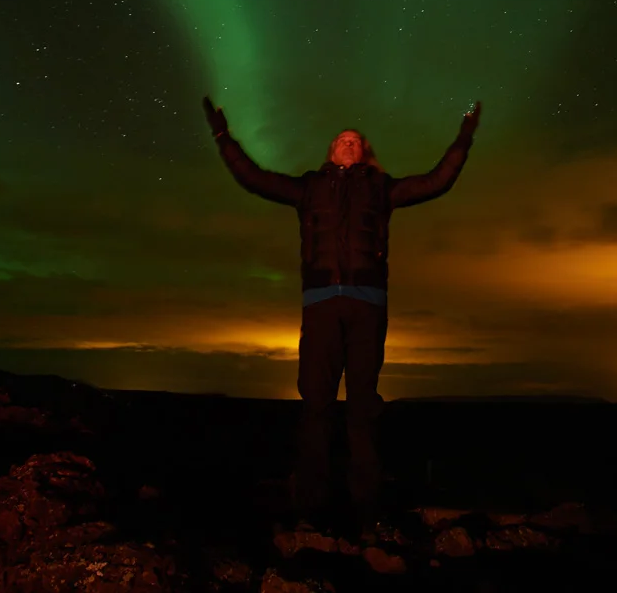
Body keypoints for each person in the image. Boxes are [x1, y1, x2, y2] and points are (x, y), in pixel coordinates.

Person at [203, 95, 482, 536]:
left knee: (362, 407)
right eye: (341, 139)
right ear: (331, 151)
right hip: (319, 305)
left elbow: (437, 181)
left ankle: (365, 504)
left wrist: (464, 137)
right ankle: (310, 504)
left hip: (367, 304)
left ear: (364, 151)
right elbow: (251, 177)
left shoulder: (383, 188)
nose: (349, 143)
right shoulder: (308, 188)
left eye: (356, 140)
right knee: (316, 403)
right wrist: (223, 137)